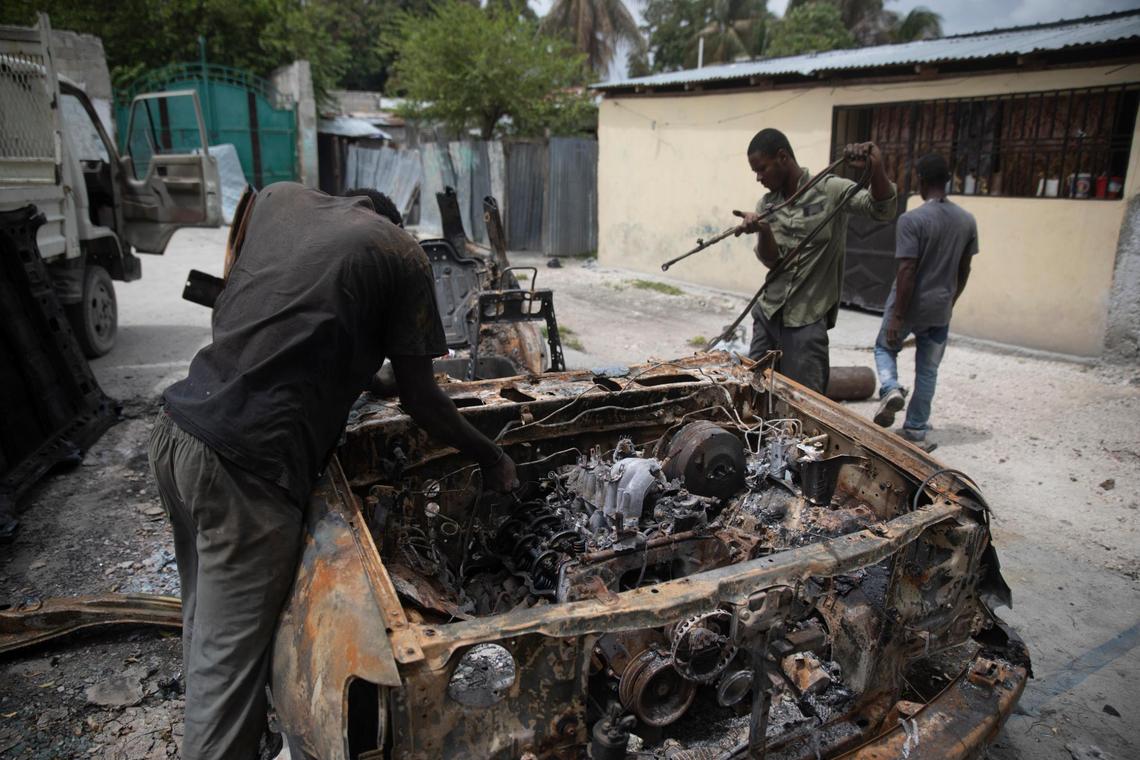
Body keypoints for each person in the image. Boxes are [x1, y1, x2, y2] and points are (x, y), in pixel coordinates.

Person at [147, 183, 518, 759]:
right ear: (390, 221)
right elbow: (423, 401)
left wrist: (370, 378)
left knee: (209, 631)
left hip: (178, 432)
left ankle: (245, 729)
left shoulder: (278, 200)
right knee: (228, 677)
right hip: (247, 470)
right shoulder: (399, 251)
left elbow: (284, 315)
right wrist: (490, 456)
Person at [734, 128, 897, 394]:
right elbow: (772, 261)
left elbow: (882, 209)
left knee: (804, 404)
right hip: (769, 313)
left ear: (782, 157)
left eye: (762, 169)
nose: (758, 178)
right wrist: (763, 230)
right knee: (753, 394)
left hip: (807, 319)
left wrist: (875, 167)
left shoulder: (830, 190)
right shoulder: (767, 204)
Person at [872, 153, 979, 448]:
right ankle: (917, 427)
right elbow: (964, 269)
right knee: (928, 370)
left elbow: (907, 269)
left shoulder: (912, 220)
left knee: (883, 348)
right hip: (940, 308)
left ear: (920, 181)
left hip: (908, 306)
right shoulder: (966, 221)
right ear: (947, 180)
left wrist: (897, 316)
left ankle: (891, 389)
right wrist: (951, 300)